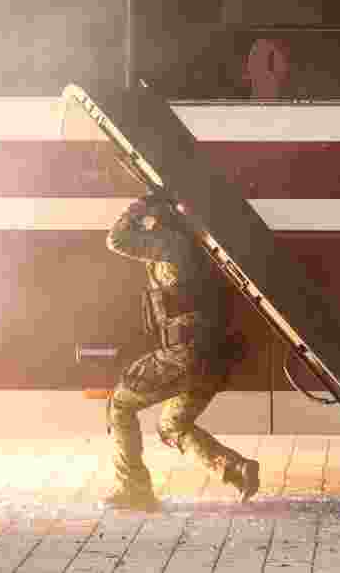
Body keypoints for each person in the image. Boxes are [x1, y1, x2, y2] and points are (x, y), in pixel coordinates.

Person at [101, 192, 259, 511]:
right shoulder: (199, 244)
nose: (149, 227)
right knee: (172, 426)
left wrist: (137, 208)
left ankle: (134, 488)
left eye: (152, 222)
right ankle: (235, 469)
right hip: (213, 357)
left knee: (119, 404)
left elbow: (117, 239)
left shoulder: (173, 244)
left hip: (184, 352)